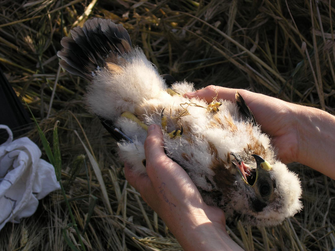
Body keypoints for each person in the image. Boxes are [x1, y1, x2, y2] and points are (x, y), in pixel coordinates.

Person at [124, 85, 335, 250]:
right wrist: (296, 127)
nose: (261, 164)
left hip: (137, 117)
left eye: (264, 188)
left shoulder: (208, 193)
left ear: (255, 206)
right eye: (270, 168)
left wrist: (196, 229)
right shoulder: (252, 144)